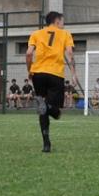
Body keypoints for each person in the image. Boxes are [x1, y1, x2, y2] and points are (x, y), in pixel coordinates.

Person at [26, 11, 79, 153]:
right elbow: (70, 54)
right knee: (56, 111)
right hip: (55, 74)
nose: (63, 24)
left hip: (38, 74)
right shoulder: (65, 34)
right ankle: (50, 109)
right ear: (57, 21)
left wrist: (30, 70)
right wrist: (74, 74)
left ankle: (46, 144)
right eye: (62, 21)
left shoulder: (36, 34)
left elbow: (29, 53)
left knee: (42, 108)